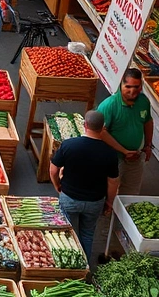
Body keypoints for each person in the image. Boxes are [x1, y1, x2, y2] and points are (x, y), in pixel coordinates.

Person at [50, 110, 121, 260]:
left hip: (69, 198)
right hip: (95, 201)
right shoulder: (110, 153)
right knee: (87, 235)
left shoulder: (69, 145)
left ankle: (68, 267)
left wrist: (57, 186)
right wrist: (109, 202)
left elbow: (53, 169)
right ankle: (86, 268)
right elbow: (113, 181)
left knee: (67, 233)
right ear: (103, 128)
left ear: (85, 125)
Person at [97, 68, 154, 195]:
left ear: (141, 86)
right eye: (128, 86)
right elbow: (101, 132)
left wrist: (148, 145)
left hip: (136, 158)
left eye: (136, 87)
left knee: (131, 193)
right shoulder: (109, 105)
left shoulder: (143, 101)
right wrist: (124, 151)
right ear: (121, 84)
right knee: (108, 192)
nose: (132, 91)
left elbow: (148, 121)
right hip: (114, 159)